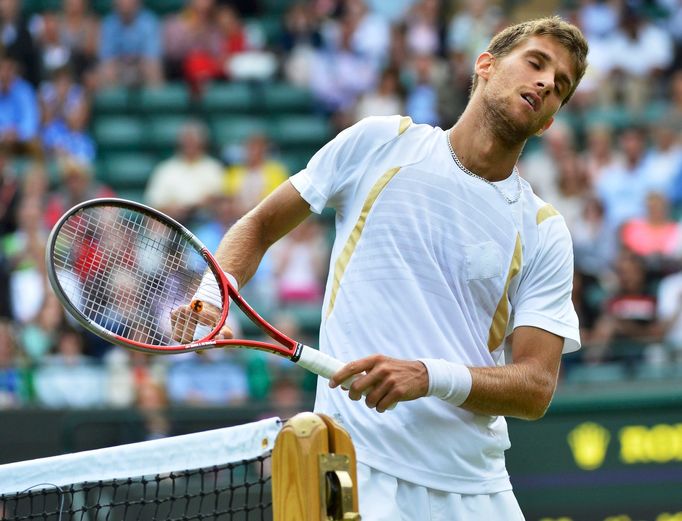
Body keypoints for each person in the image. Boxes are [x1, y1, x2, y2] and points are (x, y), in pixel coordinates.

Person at [172, 17, 588, 520]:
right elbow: (259, 226)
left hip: (474, 487)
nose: (545, 83)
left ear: (548, 121)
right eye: (536, 63)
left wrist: (427, 376)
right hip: (358, 467)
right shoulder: (380, 143)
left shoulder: (543, 229)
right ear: (486, 65)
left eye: (559, 86)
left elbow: (536, 386)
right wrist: (213, 294)